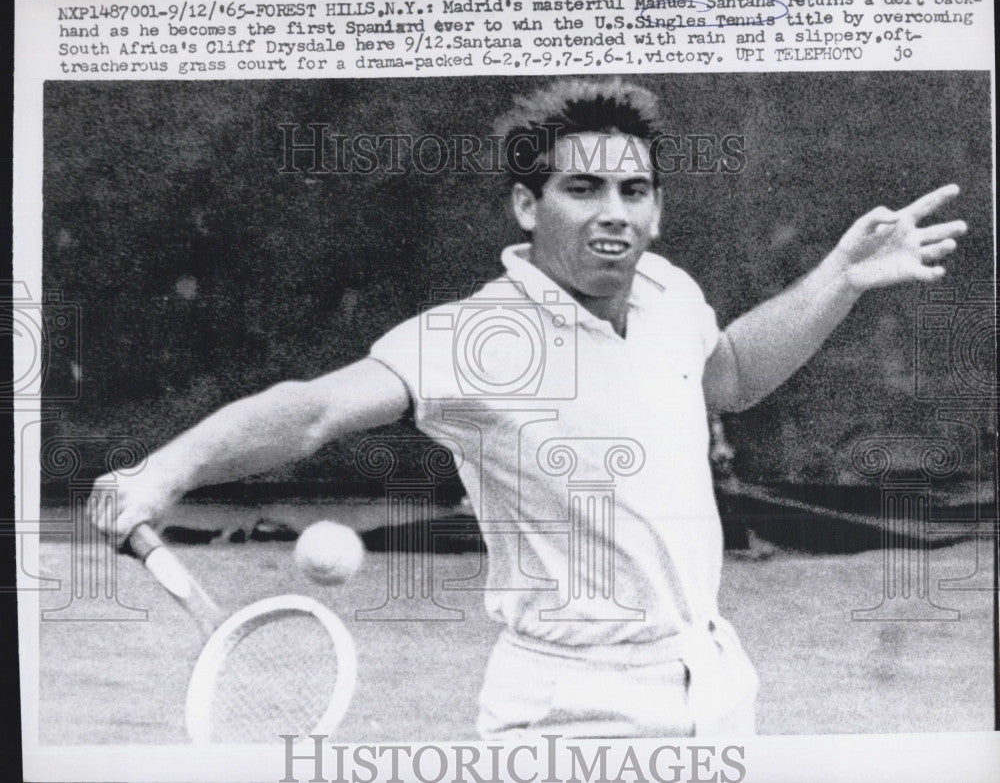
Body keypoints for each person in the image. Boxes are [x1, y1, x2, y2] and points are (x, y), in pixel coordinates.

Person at [90, 78, 965, 739]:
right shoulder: (478, 336)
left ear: (659, 209)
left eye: (634, 192)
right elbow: (312, 409)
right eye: (582, 189)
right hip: (569, 712)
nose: (613, 213)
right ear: (526, 204)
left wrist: (838, 281)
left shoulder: (665, 290)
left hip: (716, 677)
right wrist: (169, 469)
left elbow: (728, 373)